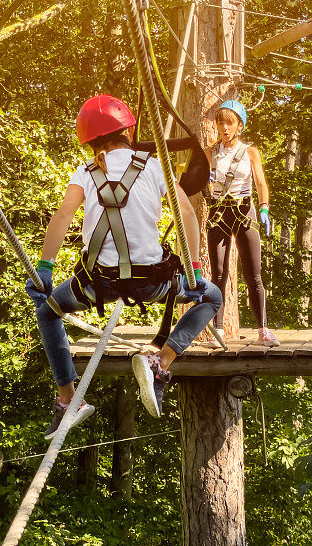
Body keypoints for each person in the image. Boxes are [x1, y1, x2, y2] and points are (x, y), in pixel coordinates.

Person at [25, 95, 221, 438]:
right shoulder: (154, 167)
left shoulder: (84, 172)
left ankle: (69, 398)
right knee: (211, 298)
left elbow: (62, 216)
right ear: (128, 131)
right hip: (153, 283)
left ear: (91, 141)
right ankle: (161, 362)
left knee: (48, 313)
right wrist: (194, 269)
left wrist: (45, 266)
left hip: (97, 284)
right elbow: (186, 214)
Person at [206, 100, 279, 346]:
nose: (224, 128)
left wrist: (264, 208)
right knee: (218, 275)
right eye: (220, 123)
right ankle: (217, 332)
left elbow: (260, 183)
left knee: (253, 275)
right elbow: (198, 182)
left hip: (244, 212)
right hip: (218, 213)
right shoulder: (210, 152)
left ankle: (263, 330)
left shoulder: (250, 151)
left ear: (239, 125)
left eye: (229, 123)